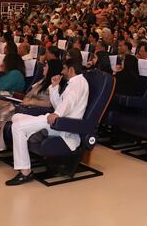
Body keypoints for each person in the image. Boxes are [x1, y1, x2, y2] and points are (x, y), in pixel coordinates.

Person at [6, 58, 89, 186]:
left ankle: (25, 172)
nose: (62, 72)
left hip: (63, 125)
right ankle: (35, 132)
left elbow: (68, 103)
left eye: (64, 69)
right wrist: (55, 88)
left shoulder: (78, 83)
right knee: (16, 117)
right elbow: (60, 104)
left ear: (71, 70)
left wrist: (57, 114)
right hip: (57, 120)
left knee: (17, 126)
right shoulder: (73, 83)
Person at [0, 58, 65, 164]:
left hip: (31, 111)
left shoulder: (54, 84)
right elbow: (27, 97)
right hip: (22, 106)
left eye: (46, 66)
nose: (43, 67)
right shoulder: (41, 81)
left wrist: (30, 102)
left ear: (52, 69)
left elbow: (49, 104)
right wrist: (25, 99)